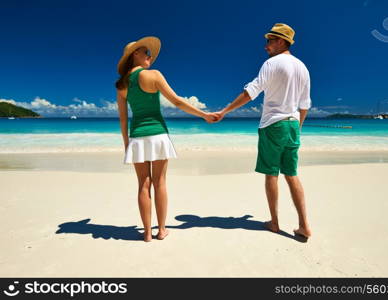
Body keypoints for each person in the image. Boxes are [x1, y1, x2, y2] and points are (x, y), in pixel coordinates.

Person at [214, 24, 312, 239]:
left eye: (270, 40)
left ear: (281, 41)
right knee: (292, 174)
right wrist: (298, 127)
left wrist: (224, 111)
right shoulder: (303, 68)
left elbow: (251, 92)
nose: (266, 45)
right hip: (293, 124)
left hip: (273, 125)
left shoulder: (272, 63)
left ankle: (274, 222)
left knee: (271, 174)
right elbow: (304, 105)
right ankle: (304, 225)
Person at [115, 36, 217, 242]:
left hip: (137, 138)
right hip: (158, 135)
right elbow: (178, 101)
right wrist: (204, 115)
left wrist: (127, 144)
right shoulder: (153, 75)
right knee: (159, 182)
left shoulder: (122, 85)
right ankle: (161, 230)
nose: (150, 57)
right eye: (147, 53)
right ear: (135, 54)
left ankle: (146, 233)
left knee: (143, 184)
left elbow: (124, 120)